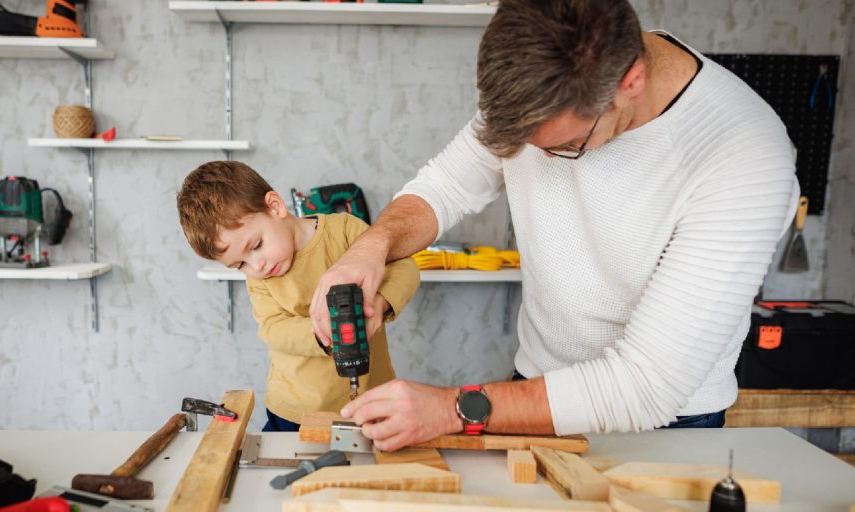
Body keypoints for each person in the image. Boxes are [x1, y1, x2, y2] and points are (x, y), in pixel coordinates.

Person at [308, 0, 800, 451]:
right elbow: (448, 185)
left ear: (630, 80)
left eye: (561, 148)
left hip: (666, 422)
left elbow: (647, 385)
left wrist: (451, 408)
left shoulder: (745, 156)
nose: (539, 159)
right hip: (531, 386)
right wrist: (371, 247)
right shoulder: (540, 77)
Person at [177, 161, 420, 431]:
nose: (256, 266)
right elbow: (272, 328)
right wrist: (319, 332)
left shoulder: (346, 231)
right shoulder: (261, 279)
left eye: (256, 246)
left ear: (275, 206)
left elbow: (404, 267)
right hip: (295, 410)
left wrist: (379, 302)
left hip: (371, 397)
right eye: (240, 265)